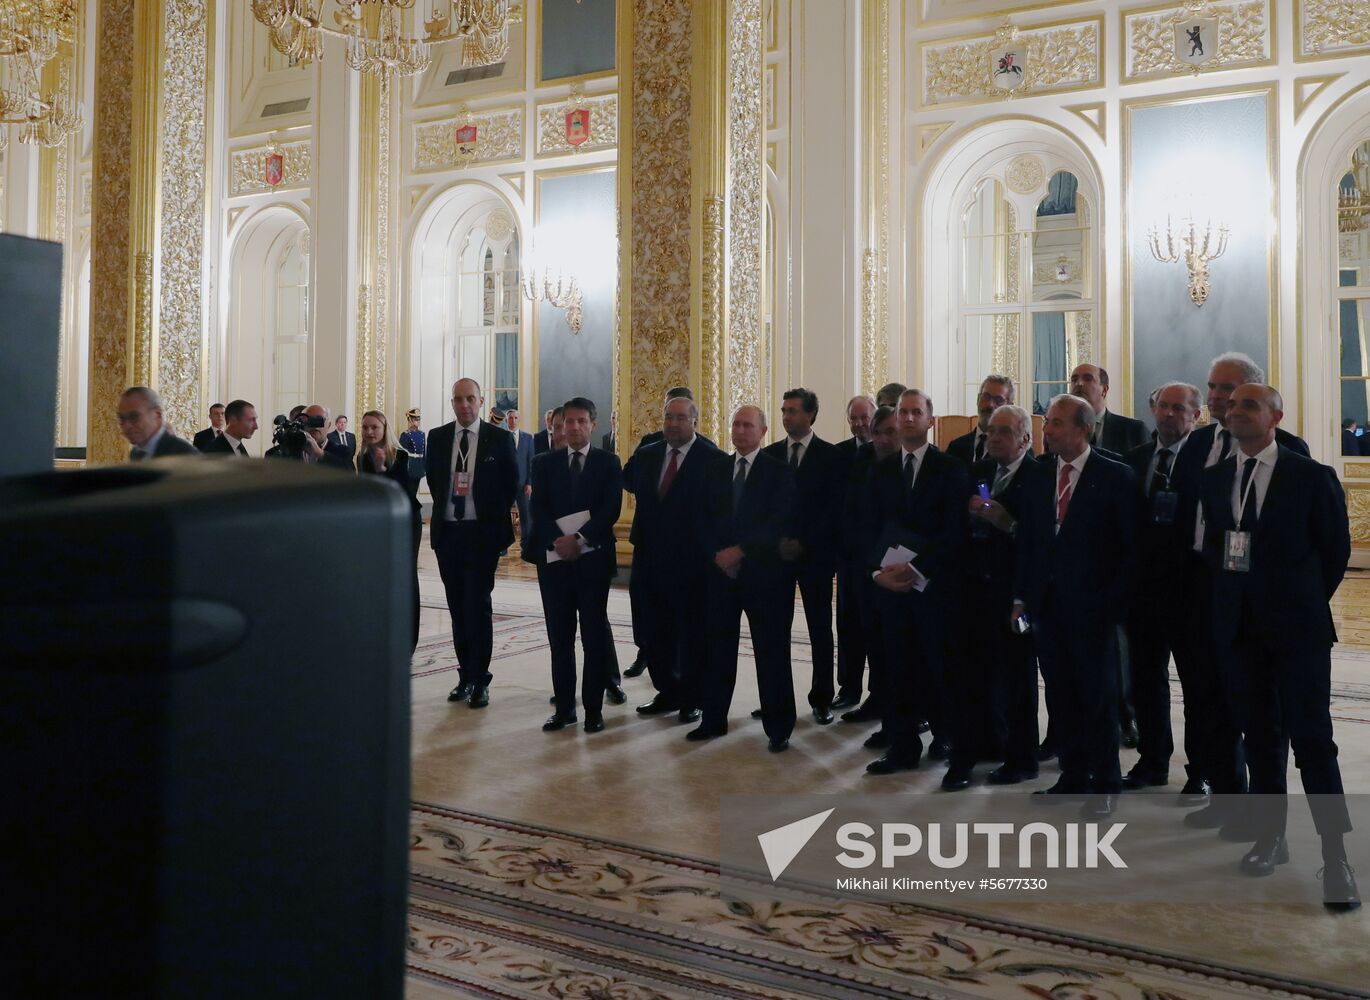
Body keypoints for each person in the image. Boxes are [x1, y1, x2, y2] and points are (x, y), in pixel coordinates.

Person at [1199, 384, 1357, 911]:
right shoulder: (1216, 477)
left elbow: (1335, 551)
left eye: (1249, 404)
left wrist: (1299, 602)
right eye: (1232, 405)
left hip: (1298, 631)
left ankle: (1335, 857)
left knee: (1314, 741)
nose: (1236, 411)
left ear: (1275, 417)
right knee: (1261, 739)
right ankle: (1271, 837)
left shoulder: (1311, 476)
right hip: (1241, 632)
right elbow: (1221, 551)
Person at [1012, 394, 1140, 818]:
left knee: (1098, 697)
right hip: (1047, 606)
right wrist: (1021, 598)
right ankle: (1072, 773)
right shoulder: (1037, 475)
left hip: (1095, 607)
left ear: (1084, 429)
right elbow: (1028, 542)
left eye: (1057, 424)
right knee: (1062, 695)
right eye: (1047, 423)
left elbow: (1130, 552)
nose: (1047, 431)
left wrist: (1112, 604)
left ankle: (1105, 783)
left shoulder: (1116, 476)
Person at [865, 390, 969, 774]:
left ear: (929, 419)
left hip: (935, 589)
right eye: (903, 413)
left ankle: (946, 738)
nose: (908, 419)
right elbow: (867, 528)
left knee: (940, 669)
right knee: (897, 670)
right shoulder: (881, 470)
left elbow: (956, 531)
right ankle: (902, 746)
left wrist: (920, 568)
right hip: (891, 589)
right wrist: (879, 573)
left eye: (916, 413)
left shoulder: (951, 469)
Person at [1122, 383, 1213, 800]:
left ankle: (1202, 769)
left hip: (1193, 593)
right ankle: (1153, 759)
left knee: (1198, 687)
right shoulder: (1135, 460)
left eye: (1180, 409)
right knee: (1145, 681)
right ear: (1152, 409)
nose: (1170, 415)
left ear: (1197, 415)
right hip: (1143, 593)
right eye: (1163, 407)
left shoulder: (1209, 461)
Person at [944, 403, 1039, 790]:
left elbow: (1040, 542)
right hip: (973, 591)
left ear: (1025, 439)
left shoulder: (1039, 476)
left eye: (1005, 432)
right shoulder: (979, 472)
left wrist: (1007, 523)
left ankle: (1022, 758)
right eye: (992, 432)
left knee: (1018, 677)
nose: (995, 438)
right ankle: (967, 753)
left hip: (1014, 595)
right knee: (968, 674)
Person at [693, 405, 798, 752]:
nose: (739, 431)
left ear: (763, 431)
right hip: (721, 574)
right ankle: (713, 719)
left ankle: (779, 726)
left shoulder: (778, 472)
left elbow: (778, 520)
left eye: (747, 425)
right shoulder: (717, 469)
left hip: (765, 575)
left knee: (771, 651)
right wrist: (719, 555)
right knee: (716, 648)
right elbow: (703, 518)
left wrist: (740, 551)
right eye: (735, 424)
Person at [525, 397, 624, 734]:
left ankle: (593, 710)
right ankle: (565, 708)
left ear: (593, 425)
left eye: (583, 421)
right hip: (554, 563)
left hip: (592, 561)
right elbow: (537, 508)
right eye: (570, 421)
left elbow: (610, 509)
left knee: (593, 638)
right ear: (561, 425)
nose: (576, 427)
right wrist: (558, 540)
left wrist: (579, 540)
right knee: (560, 638)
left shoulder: (609, 463)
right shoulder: (544, 463)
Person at [424, 378, 520, 709]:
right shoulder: (437, 438)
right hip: (449, 534)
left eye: (470, 399)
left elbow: (511, 484)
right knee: (456, 607)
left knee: (478, 606)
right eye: (458, 399)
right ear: (452, 403)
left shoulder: (499, 439)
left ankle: (481, 679)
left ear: (480, 402)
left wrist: (488, 520)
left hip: (482, 535)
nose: (464, 405)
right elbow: (436, 482)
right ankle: (465, 674)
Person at [626, 396, 721, 723]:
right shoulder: (647, 455)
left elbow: (716, 515)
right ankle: (667, 690)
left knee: (692, 632)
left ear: (695, 421)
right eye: (669, 417)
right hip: (650, 558)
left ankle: (693, 696)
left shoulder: (712, 459)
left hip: (691, 563)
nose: (673, 424)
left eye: (681, 418)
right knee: (656, 630)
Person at [762, 388, 843, 724]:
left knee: (819, 629)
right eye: (783, 410)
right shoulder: (769, 455)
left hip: (816, 557)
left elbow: (832, 510)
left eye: (793, 411)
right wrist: (776, 542)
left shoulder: (830, 456)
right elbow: (763, 508)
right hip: (776, 557)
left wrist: (805, 543)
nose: (786, 417)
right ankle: (777, 699)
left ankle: (821, 697)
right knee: (774, 630)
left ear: (811, 415)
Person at [840, 404, 899, 732]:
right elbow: (852, 513)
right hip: (866, 567)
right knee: (871, 638)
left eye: (890, 432)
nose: (883, 439)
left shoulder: (914, 464)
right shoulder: (863, 462)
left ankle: (907, 711)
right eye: (878, 433)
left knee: (901, 647)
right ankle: (877, 700)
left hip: (902, 569)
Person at [357, 409, 423, 652]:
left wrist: (383, 469)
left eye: (374, 427)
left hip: (406, 521)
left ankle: (409, 641)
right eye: (365, 428)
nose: (369, 432)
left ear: (385, 429)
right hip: (380, 523)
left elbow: (403, 494)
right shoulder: (362, 457)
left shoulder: (401, 456)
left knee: (406, 576)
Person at [834, 395, 876, 710]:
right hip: (848, 557)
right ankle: (848, 688)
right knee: (848, 625)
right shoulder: (839, 455)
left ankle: (879, 693)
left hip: (881, 558)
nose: (860, 423)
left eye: (865, 417)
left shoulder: (889, 452)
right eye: (854, 418)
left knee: (877, 627)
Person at [1068, 364, 1148, 455]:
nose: (1079, 383)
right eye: (1074, 380)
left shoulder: (1133, 430)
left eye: (1087, 379)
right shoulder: (1061, 429)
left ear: (1104, 390)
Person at [946, 375, 1015, 466]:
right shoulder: (956, 447)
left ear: (1010, 406)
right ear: (978, 399)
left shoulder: (1016, 450)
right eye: (986, 397)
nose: (990, 405)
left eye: (998, 400)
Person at [117, 387, 199, 460]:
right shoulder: (136, 453)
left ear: (157, 414)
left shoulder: (184, 455)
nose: (127, 426)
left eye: (134, 417)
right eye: (122, 418)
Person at [266, 404, 354, 469]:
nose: (314, 426)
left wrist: (320, 453)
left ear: (329, 425)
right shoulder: (276, 454)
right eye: (308, 420)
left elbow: (350, 476)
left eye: (319, 420)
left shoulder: (343, 452)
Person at [507, 408, 535, 548]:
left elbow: (531, 462)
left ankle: (527, 542)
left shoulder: (528, 438)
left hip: (523, 483)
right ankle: (504, 544)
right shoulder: (502, 437)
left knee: (525, 515)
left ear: (519, 419)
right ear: (507, 420)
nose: (513, 421)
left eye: (515, 418)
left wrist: (529, 483)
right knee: (503, 516)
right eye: (510, 418)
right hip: (505, 484)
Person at [399, 407, 427, 486]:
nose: (418, 421)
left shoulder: (422, 434)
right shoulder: (405, 435)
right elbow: (401, 455)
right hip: (410, 465)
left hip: (419, 465)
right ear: (410, 419)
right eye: (415, 419)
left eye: (419, 419)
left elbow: (424, 452)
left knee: (415, 488)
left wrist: (425, 466)